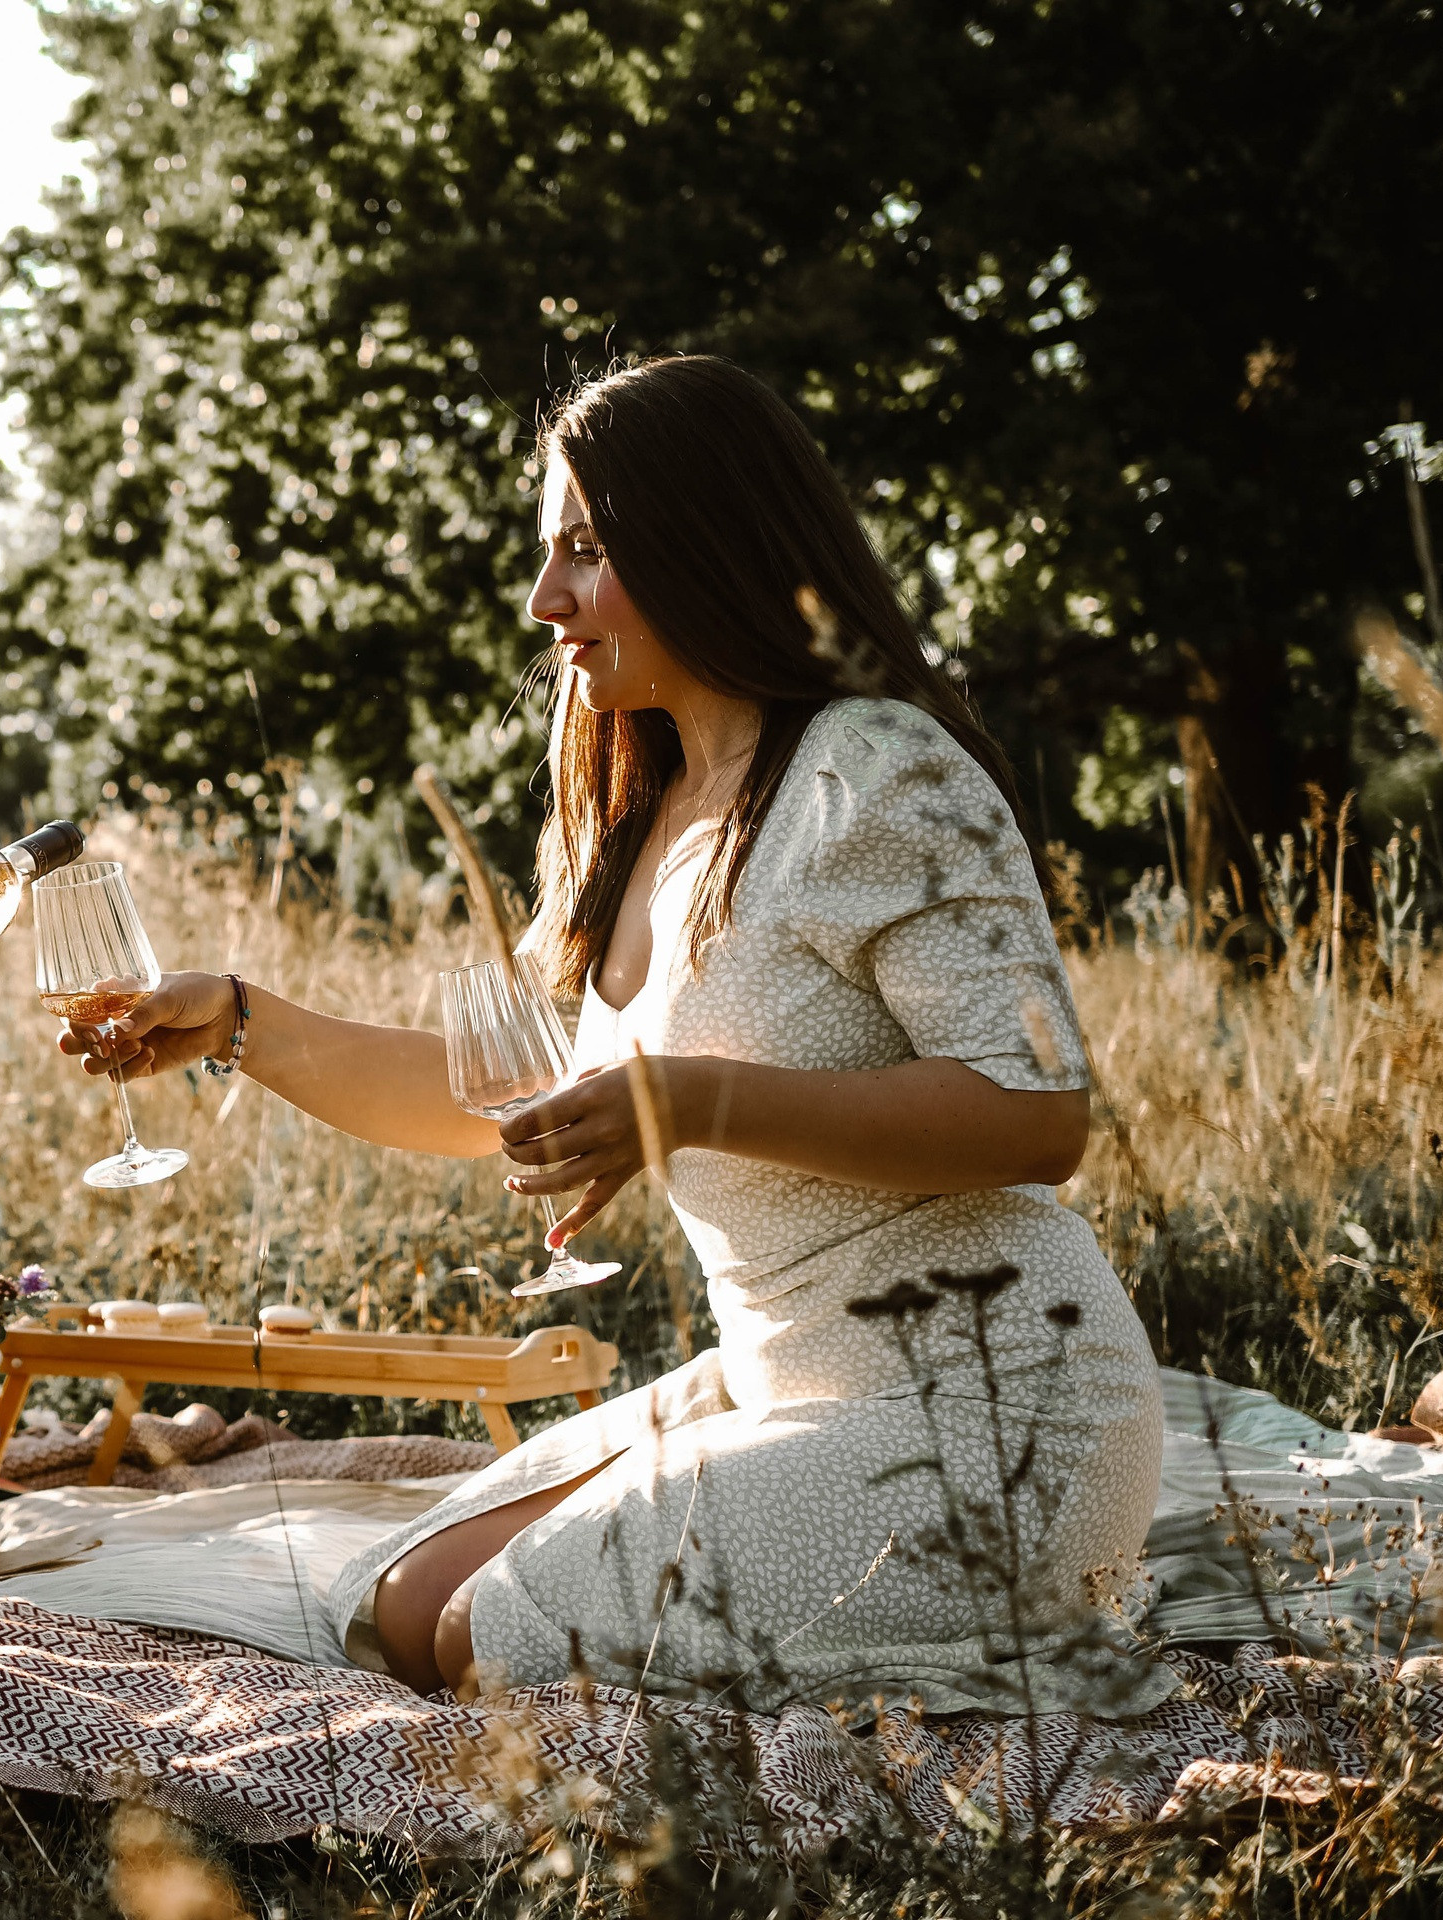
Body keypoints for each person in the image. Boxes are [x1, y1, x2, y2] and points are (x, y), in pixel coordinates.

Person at [64, 356, 1169, 1718]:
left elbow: (1038, 1117)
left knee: (491, 1638)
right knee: (401, 1607)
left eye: (585, 552)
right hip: (785, 1386)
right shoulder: (645, 811)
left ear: (704, 538)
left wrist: (691, 1099)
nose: (546, 604)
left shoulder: (874, 767)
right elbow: (508, 1101)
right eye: (550, 556)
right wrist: (238, 1021)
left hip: (994, 1412)